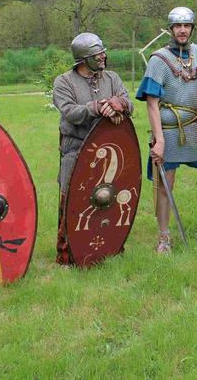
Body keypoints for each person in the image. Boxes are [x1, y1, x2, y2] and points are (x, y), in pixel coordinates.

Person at [136, 7, 197, 253]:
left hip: (193, 128)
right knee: (165, 186)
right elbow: (151, 104)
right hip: (167, 130)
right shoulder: (159, 59)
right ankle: (164, 238)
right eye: (178, 26)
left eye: (187, 26)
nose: (182, 30)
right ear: (171, 29)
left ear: (192, 28)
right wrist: (159, 141)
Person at [53, 32, 131, 265]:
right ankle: (66, 255)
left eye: (102, 52)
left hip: (109, 147)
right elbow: (70, 112)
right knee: (72, 200)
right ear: (83, 59)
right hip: (75, 147)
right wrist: (98, 107)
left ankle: (110, 248)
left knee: (109, 197)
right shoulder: (63, 82)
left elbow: (128, 102)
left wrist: (119, 106)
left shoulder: (112, 78)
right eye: (97, 54)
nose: (103, 56)